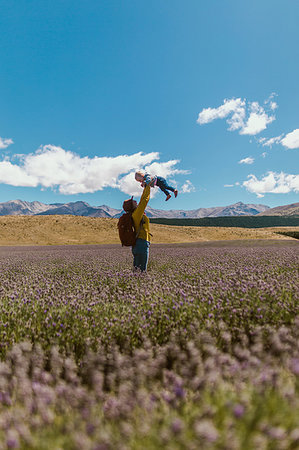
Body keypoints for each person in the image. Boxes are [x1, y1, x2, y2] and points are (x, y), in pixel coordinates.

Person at [122, 183, 151, 272]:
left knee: (136, 271)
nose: (135, 201)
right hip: (141, 243)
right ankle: (140, 285)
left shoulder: (134, 214)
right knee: (142, 271)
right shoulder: (137, 214)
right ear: (132, 206)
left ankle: (134, 284)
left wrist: (145, 187)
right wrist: (148, 186)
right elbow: (144, 200)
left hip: (137, 245)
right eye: (133, 201)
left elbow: (142, 200)